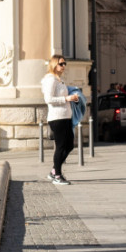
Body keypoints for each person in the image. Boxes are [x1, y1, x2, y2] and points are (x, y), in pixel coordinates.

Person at [41, 54, 80, 185]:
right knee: (61, 146)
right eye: (61, 64)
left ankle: (54, 170)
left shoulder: (59, 80)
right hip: (57, 118)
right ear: (54, 65)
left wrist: (72, 98)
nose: (63, 66)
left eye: (64, 64)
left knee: (69, 145)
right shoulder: (50, 79)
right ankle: (57, 175)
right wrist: (66, 99)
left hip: (65, 117)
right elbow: (48, 100)